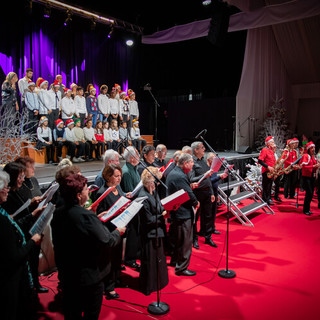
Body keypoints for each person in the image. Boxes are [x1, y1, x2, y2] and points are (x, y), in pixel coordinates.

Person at [51, 174, 125, 319]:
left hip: (67, 275)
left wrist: (94, 218)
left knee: (72, 313)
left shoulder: (58, 213)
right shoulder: (85, 216)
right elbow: (107, 241)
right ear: (78, 195)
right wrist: (118, 232)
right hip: (88, 277)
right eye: (86, 190)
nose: (88, 192)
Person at [0, 170, 43, 320]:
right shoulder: (2, 220)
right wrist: (32, 242)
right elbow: (14, 256)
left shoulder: (3, 214)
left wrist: (32, 214)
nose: (7, 189)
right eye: (4, 187)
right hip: (9, 280)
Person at [96, 165, 127, 300]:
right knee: (108, 259)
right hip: (109, 230)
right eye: (116, 176)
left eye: (120, 176)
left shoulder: (118, 188)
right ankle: (109, 287)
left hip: (119, 228)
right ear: (108, 176)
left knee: (117, 258)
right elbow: (100, 217)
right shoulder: (102, 192)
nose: (119, 178)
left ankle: (116, 278)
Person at [166, 153, 199, 276]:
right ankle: (182, 268)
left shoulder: (175, 172)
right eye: (191, 162)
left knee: (178, 240)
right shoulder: (179, 176)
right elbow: (188, 195)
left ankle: (175, 261)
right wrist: (196, 202)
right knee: (185, 242)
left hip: (177, 213)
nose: (193, 164)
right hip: (183, 214)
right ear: (185, 163)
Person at [138, 167, 169, 295]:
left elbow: (159, 205)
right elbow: (148, 219)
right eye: (154, 181)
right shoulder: (143, 196)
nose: (156, 184)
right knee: (150, 262)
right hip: (149, 233)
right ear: (148, 182)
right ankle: (149, 286)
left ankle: (159, 282)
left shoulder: (152, 191)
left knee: (159, 259)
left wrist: (166, 207)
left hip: (157, 230)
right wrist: (163, 216)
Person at [189, 141, 216, 249]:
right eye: (202, 147)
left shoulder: (203, 162)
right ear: (196, 150)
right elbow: (191, 179)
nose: (204, 149)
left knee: (208, 216)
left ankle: (208, 237)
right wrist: (204, 175)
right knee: (196, 217)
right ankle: (194, 239)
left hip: (207, 192)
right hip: (198, 193)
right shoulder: (192, 162)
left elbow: (208, 179)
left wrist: (212, 192)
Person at [120, 146, 141, 270]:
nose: (139, 157)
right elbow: (130, 192)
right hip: (131, 207)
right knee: (132, 234)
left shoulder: (133, 168)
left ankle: (135, 254)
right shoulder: (127, 171)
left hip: (137, 206)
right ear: (132, 158)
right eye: (137, 155)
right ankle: (130, 259)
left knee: (136, 233)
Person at [206, 152, 227, 235]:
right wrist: (219, 177)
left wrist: (217, 193)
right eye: (213, 159)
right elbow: (209, 182)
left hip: (214, 192)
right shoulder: (207, 169)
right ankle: (207, 230)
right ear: (208, 160)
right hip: (209, 193)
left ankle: (212, 228)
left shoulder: (214, 168)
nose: (215, 160)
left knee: (214, 212)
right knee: (208, 213)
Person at [299, 141, 320, 215]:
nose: (313, 149)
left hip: (311, 177)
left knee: (310, 194)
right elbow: (304, 167)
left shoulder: (313, 157)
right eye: (312, 148)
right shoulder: (306, 156)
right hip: (306, 177)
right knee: (309, 193)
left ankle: (307, 209)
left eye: (314, 147)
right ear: (308, 149)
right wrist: (314, 166)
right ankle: (305, 209)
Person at [258, 136, 276, 205]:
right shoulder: (264, 150)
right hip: (266, 171)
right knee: (266, 186)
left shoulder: (271, 150)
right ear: (268, 143)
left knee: (270, 185)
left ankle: (268, 198)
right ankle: (266, 199)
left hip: (271, 170)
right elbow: (260, 160)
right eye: (272, 142)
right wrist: (268, 167)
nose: (274, 143)